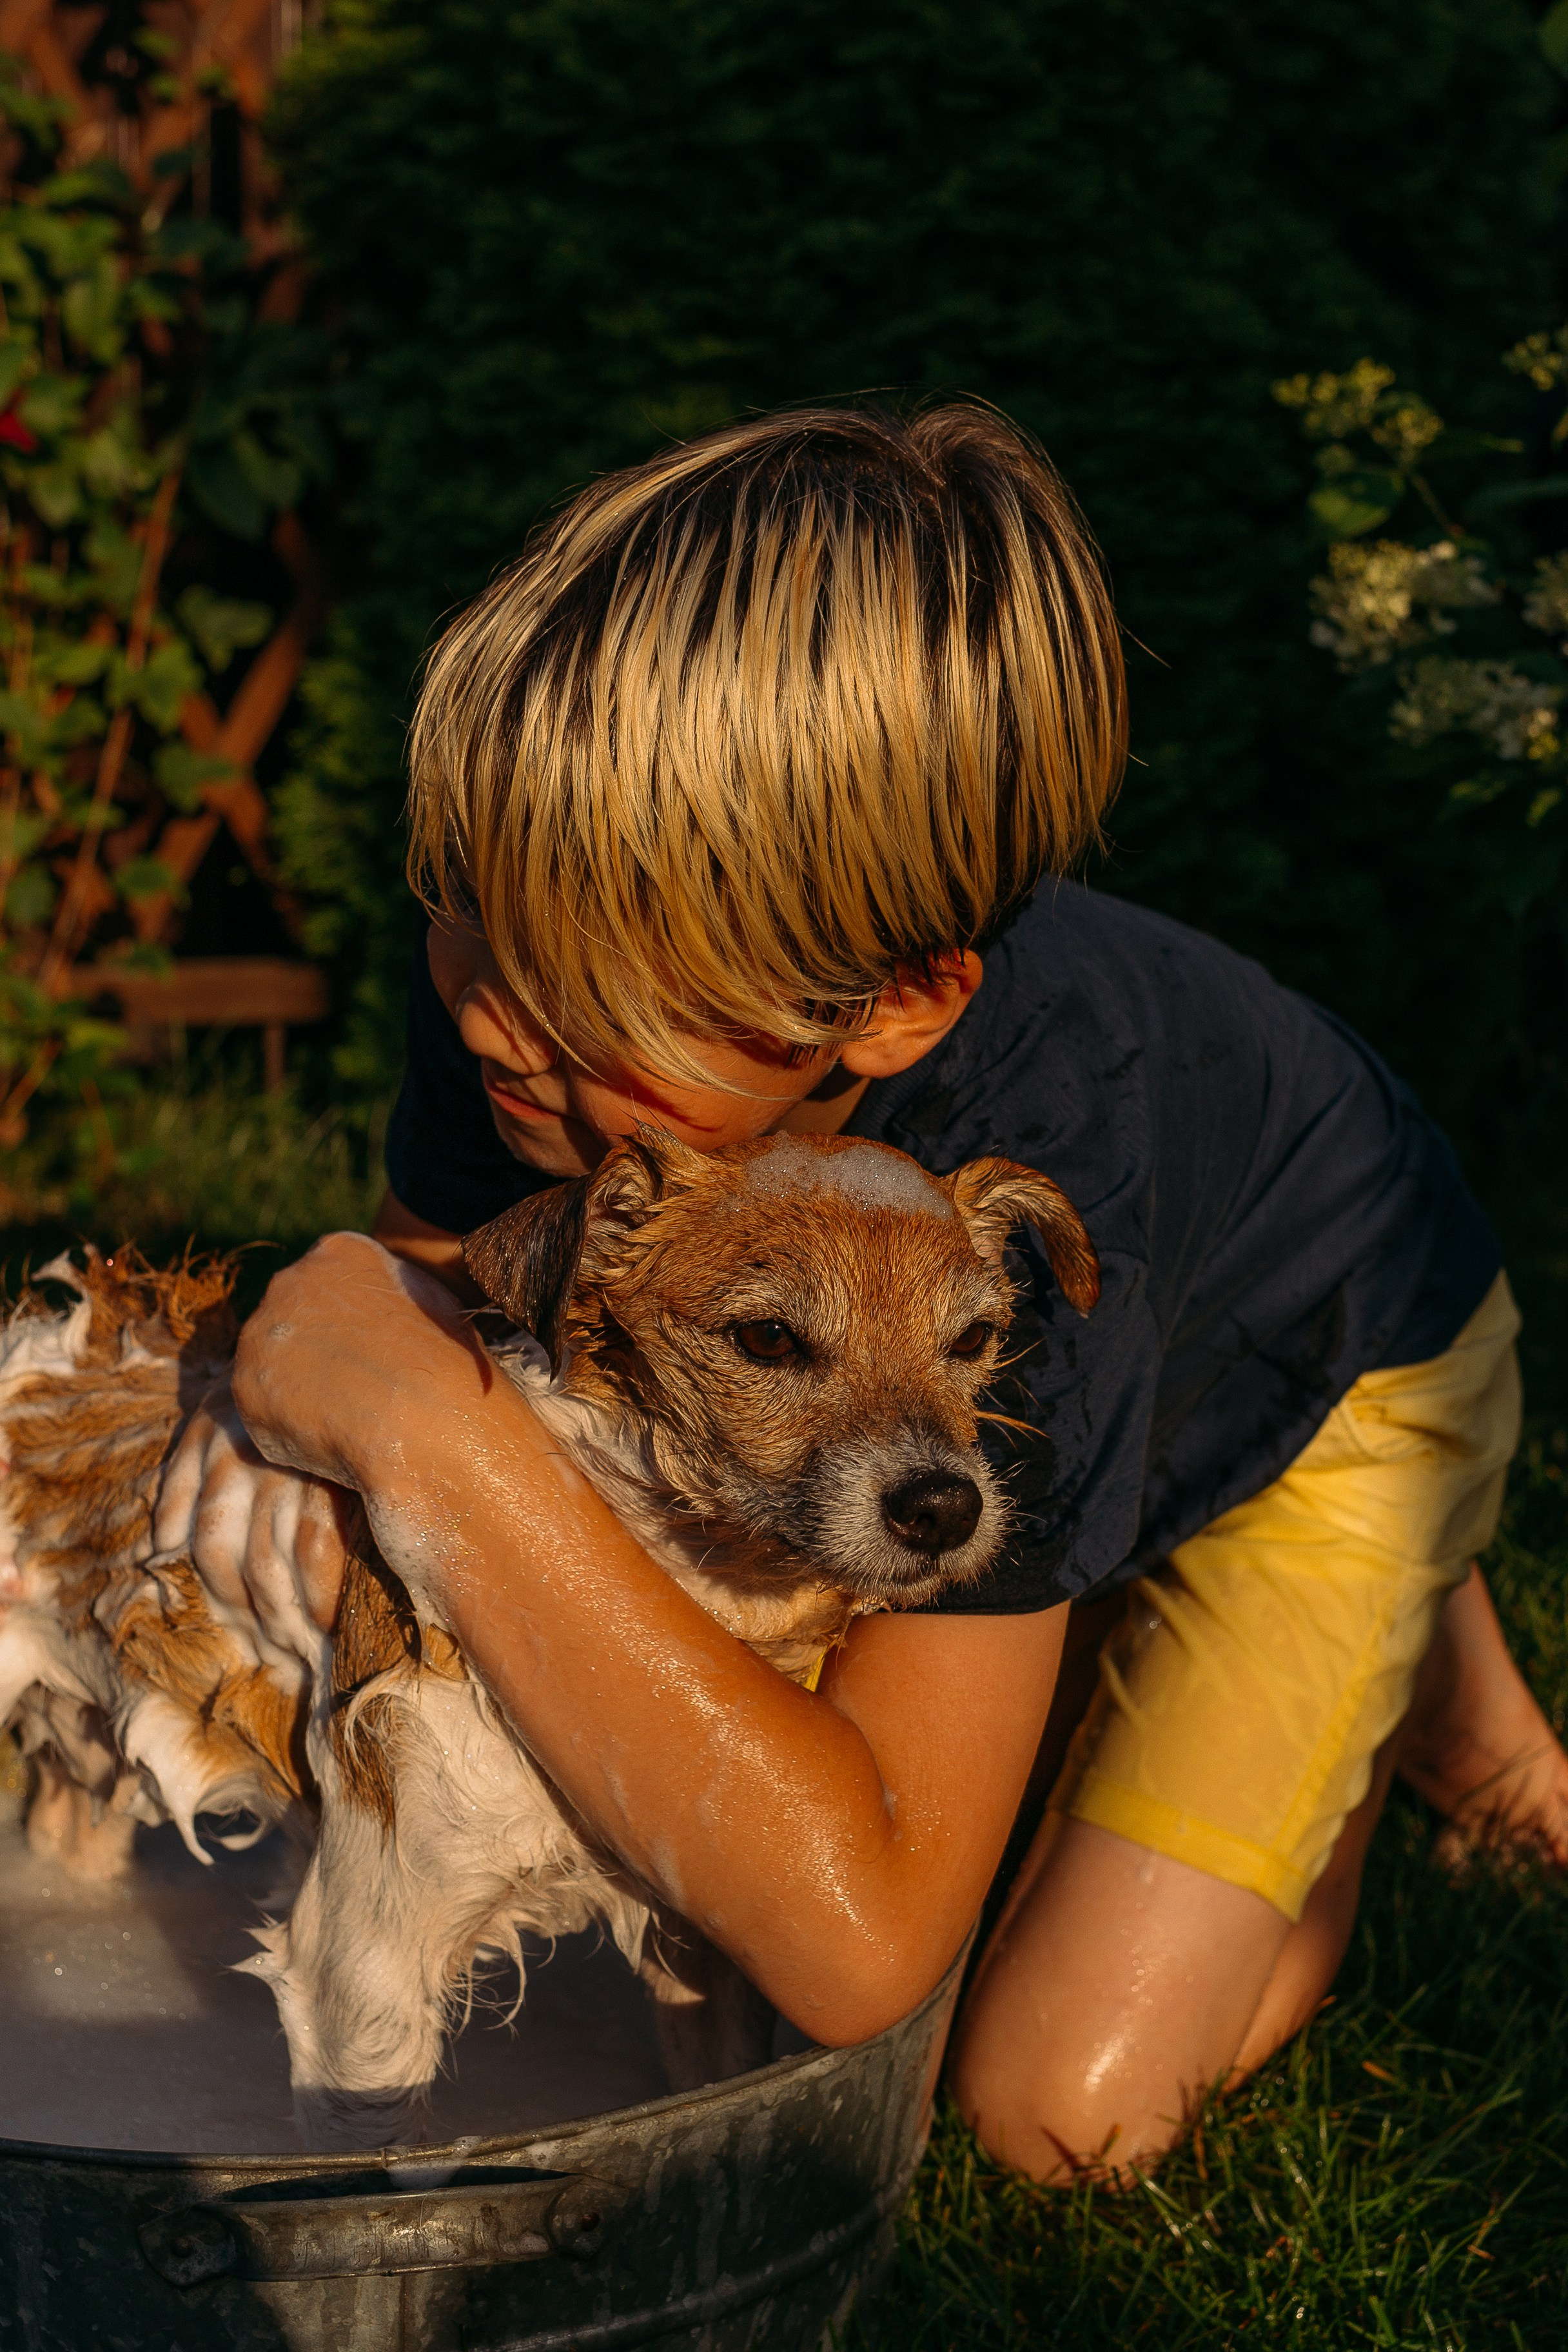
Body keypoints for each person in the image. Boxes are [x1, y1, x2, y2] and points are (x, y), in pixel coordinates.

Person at [156, 406, 1568, 2184]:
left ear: (892, 1012)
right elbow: (448, 1299)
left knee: (1063, 2110)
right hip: (1194, 1285)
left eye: (582, 991)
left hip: (1349, 1334)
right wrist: (378, 1310)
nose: (488, 1021)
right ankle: (1420, 1672)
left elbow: (858, 1936)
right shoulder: (532, 1017)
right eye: (464, 909)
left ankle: (1365, 1622)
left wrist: (432, 1440)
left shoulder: (1031, 1179)